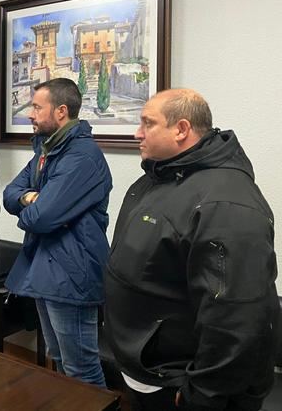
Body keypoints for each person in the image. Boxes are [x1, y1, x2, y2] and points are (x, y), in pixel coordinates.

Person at [105, 88, 279, 411]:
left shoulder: (226, 202)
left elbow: (235, 319)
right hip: (145, 372)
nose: (136, 133)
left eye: (147, 123)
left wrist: (201, 395)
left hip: (180, 386)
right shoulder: (158, 176)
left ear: (181, 130)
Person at [2, 78, 112, 387]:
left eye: (37, 107)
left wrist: (35, 203)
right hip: (46, 268)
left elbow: (40, 217)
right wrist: (27, 197)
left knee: (82, 369)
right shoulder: (47, 150)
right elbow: (10, 193)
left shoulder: (82, 156)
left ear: (61, 111)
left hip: (72, 275)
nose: (30, 114)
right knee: (60, 359)